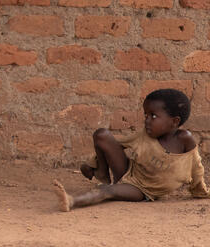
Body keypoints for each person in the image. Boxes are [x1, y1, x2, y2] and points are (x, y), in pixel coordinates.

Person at [53, 89, 208, 210]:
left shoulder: (184, 140)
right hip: (127, 172)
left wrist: (199, 190)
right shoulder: (145, 135)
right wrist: (93, 163)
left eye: (153, 116)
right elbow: (118, 143)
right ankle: (101, 173)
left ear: (174, 122)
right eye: (145, 115)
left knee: (107, 191)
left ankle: (72, 201)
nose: (147, 120)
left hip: (142, 190)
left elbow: (197, 167)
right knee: (102, 134)